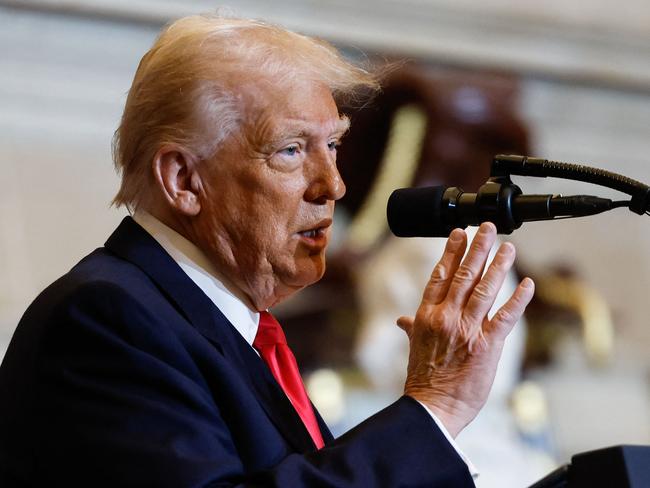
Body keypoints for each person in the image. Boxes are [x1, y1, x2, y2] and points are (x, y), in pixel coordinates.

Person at [0, 14, 534, 487]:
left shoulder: (232, 329)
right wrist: (432, 407)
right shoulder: (106, 321)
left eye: (334, 146)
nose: (333, 185)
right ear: (183, 179)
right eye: (291, 150)